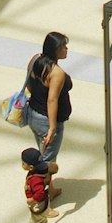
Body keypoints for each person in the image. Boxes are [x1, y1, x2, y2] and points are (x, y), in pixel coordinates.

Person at [25, 31, 72, 187]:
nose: (66, 49)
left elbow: (29, 83)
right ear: (55, 50)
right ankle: (41, 201)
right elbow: (52, 100)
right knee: (46, 164)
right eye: (63, 46)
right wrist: (52, 127)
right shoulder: (57, 73)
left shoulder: (35, 60)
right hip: (47, 121)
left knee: (44, 154)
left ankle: (49, 191)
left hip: (33, 114)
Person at [22, 146, 55, 223]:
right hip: (43, 201)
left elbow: (39, 193)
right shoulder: (40, 170)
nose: (22, 165)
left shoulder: (35, 179)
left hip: (38, 204)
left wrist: (32, 200)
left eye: (23, 163)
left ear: (31, 167)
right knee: (41, 220)